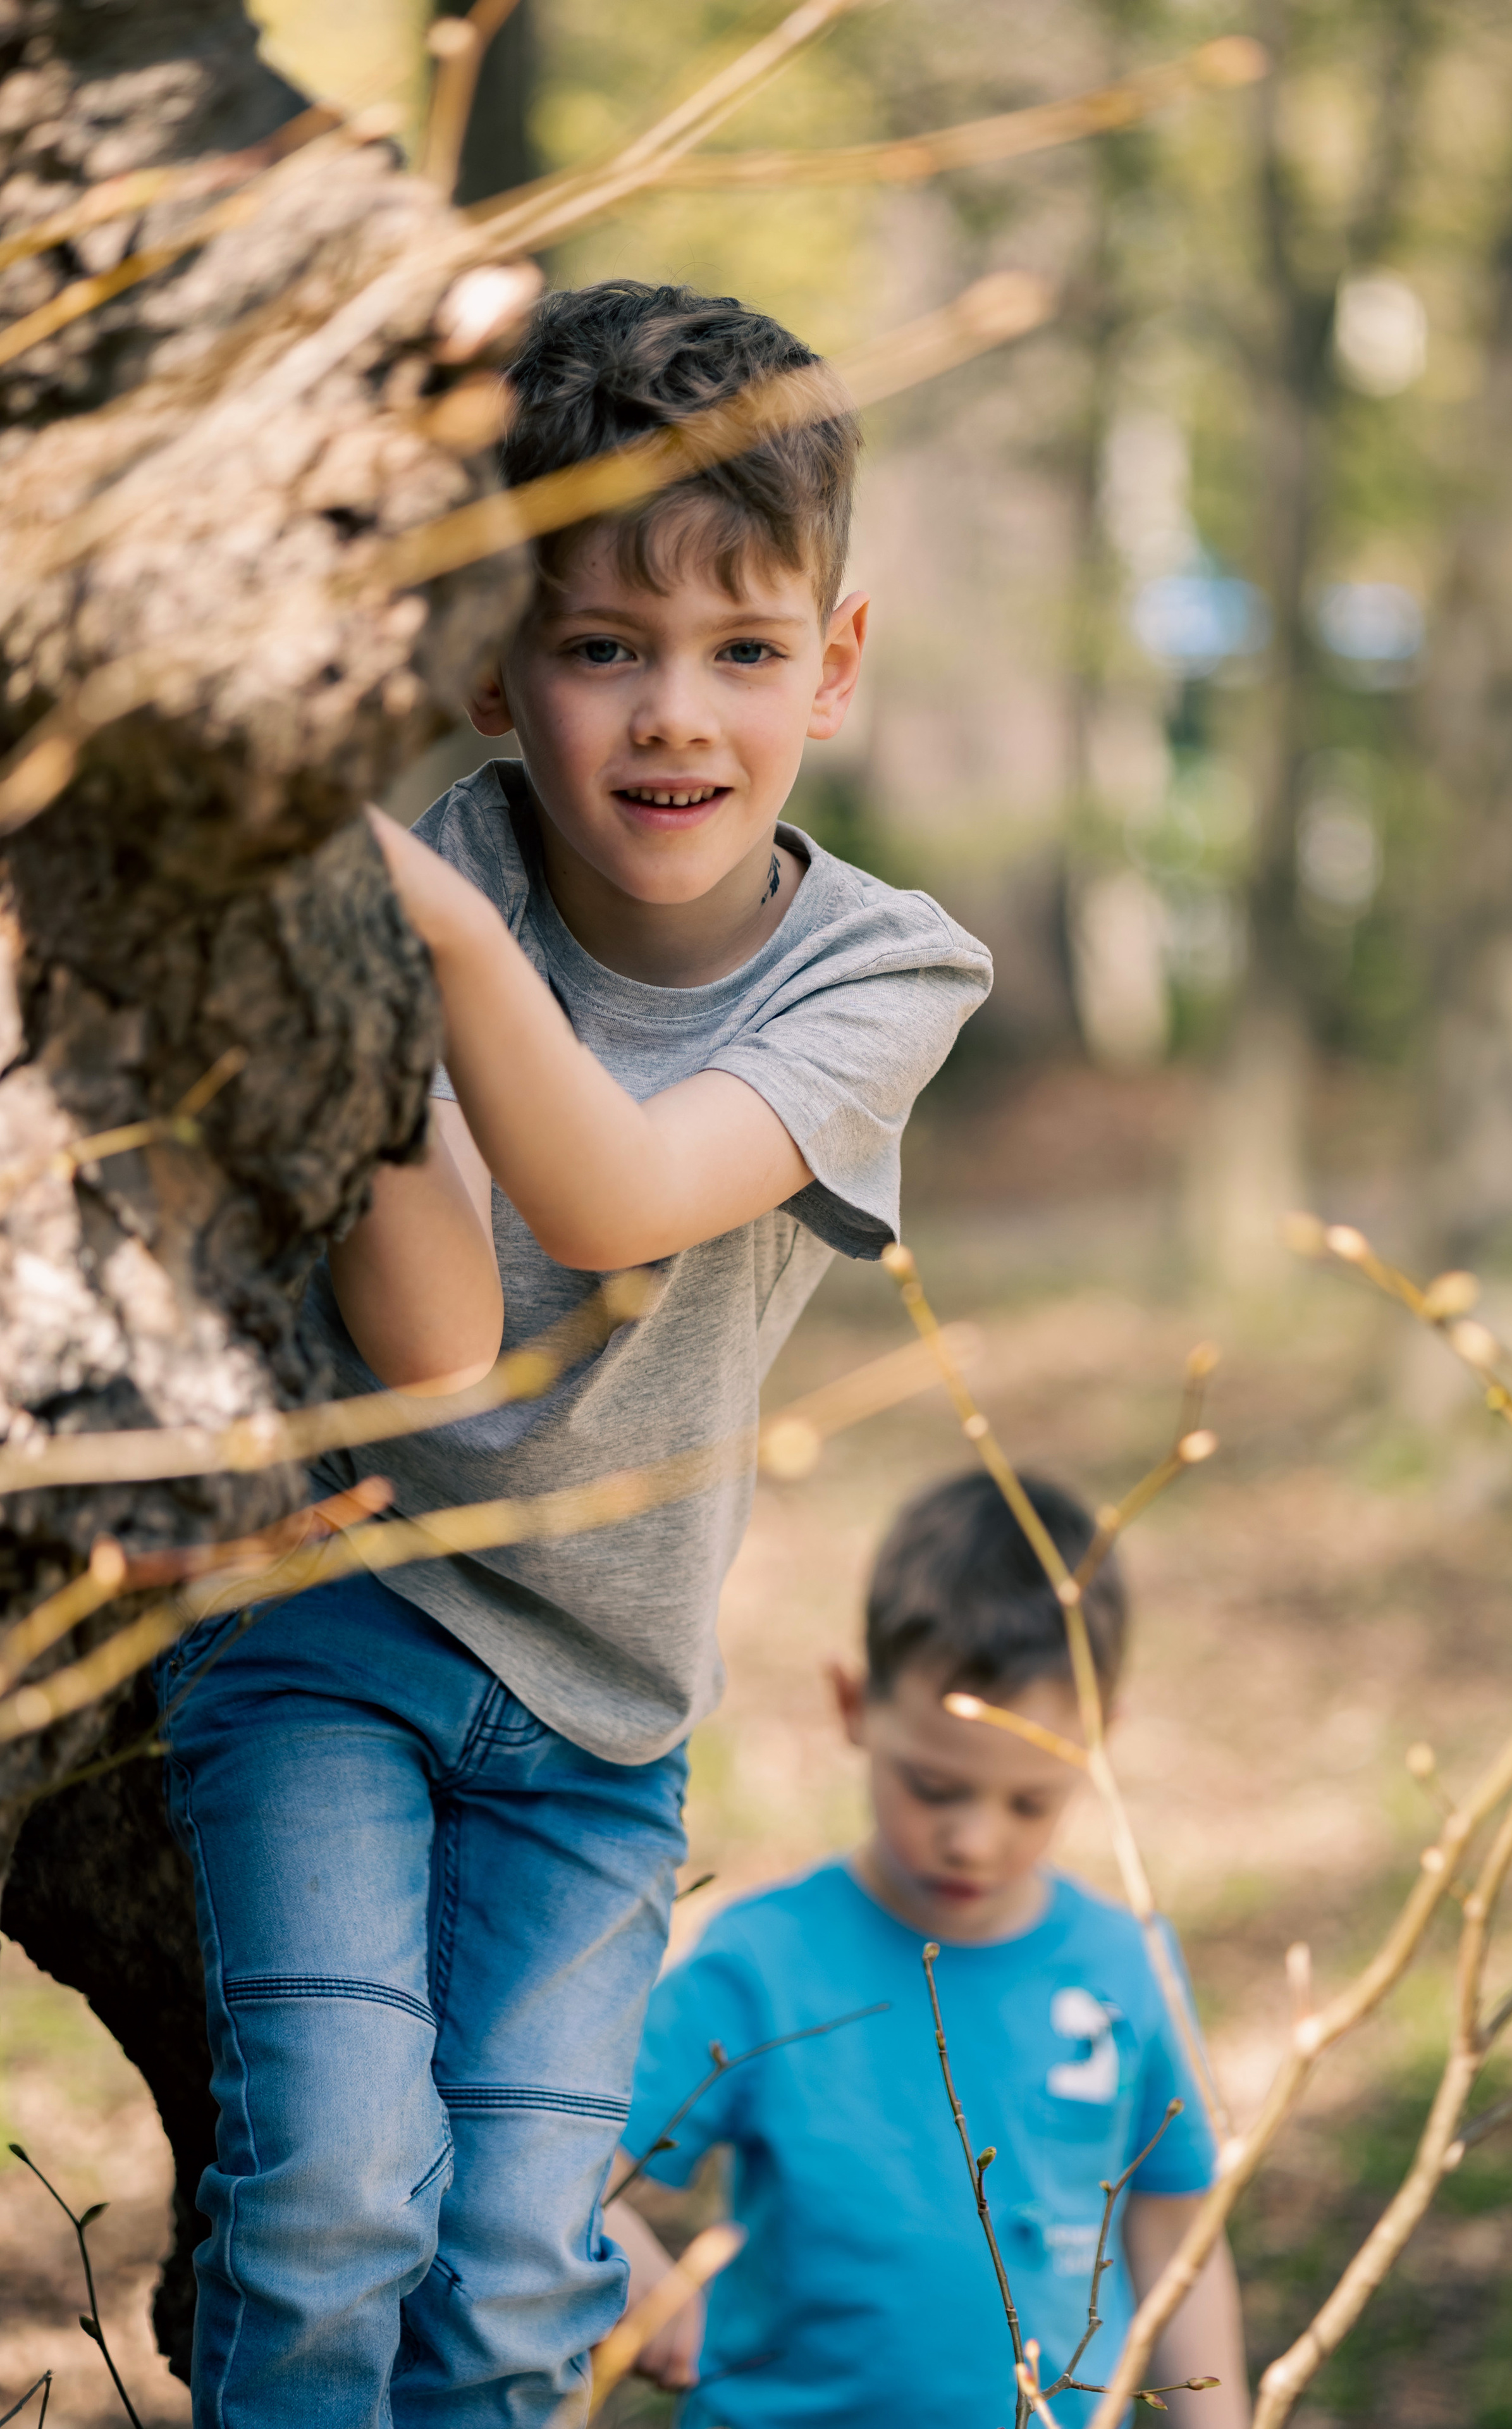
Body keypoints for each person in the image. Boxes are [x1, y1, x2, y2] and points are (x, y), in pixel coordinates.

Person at [154, 280, 991, 2428]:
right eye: (601, 646)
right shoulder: (406, 889)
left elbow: (619, 1193)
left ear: (839, 660)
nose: (671, 717)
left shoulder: (888, 971)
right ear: (498, 675)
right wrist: (393, 918)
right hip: (340, 1628)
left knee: (524, 2265)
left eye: (738, 647)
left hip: (605, 1723)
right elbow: (428, 1338)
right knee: (337, 2191)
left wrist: (418, 926)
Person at [613, 1469, 1250, 2427]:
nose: (974, 1840)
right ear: (853, 1704)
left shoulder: (1129, 1968)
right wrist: (631, 2265)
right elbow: (575, 2169)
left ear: (1097, 1746)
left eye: (1030, 1800)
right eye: (935, 1787)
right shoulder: (761, 1965)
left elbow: (1178, 2240)